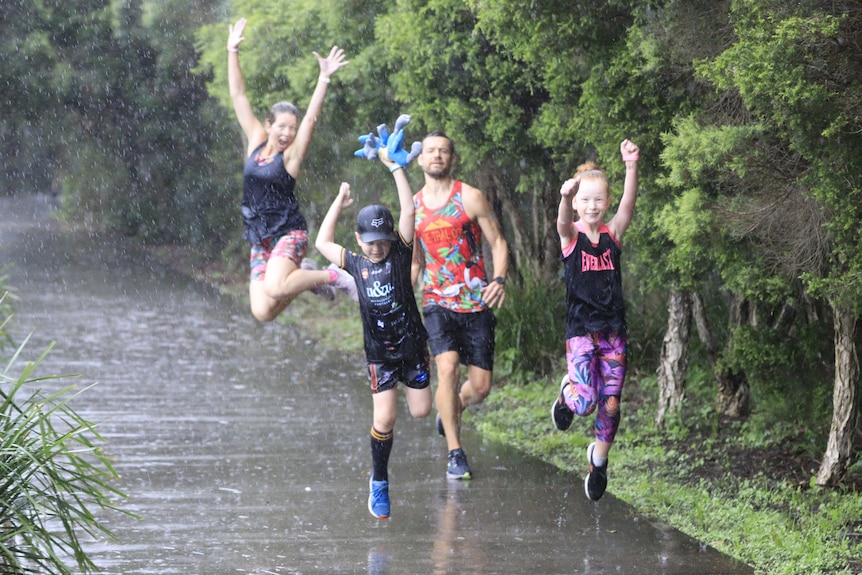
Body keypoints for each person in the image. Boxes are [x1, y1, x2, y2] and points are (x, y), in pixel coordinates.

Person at [315, 151, 432, 519]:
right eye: (370, 241)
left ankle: (384, 470)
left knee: (421, 411)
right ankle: (379, 481)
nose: (377, 247)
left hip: (412, 349)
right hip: (380, 356)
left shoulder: (399, 254)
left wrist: (396, 168)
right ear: (358, 239)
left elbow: (410, 211)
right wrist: (338, 201)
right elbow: (322, 242)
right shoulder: (356, 262)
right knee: (385, 420)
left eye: (383, 240)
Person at [226, 17, 356, 322]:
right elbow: (239, 96)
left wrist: (323, 79)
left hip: (288, 232)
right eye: (281, 126)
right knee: (263, 312)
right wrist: (232, 51)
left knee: (275, 287)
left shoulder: (290, 158)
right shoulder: (257, 142)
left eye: (291, 129)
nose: (286, 133)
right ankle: (304, 275)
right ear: (268, 125)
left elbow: (310, 120)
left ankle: (332, 276)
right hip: (261, 238)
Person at [411, 132, 509, 480]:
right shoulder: (413, 207)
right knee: (448, 368)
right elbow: (415, 261)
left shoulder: (470, 197)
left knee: (480, 388)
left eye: (444, 151)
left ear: (452, 159)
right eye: (430, 151)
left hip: (476, 302)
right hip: (436, 303)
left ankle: (450, 407)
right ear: (420, 160)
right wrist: (404, 298)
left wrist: (498, 280)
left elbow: (497, 243)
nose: (437, 156)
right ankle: (455, 452)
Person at [550, 139, 640, 501]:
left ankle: (598, 461)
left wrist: (631, 165)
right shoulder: (571, 236)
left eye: (598, 200)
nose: (592, 206)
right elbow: (560, 222)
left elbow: (629, 206)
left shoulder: (612, 234)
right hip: (581, 333)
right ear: (576, 204)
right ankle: (566, 393)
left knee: (612, 403)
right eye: (584, 200)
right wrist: (563, 197)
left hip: (613, 333)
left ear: (606, 202)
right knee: (586, 402)